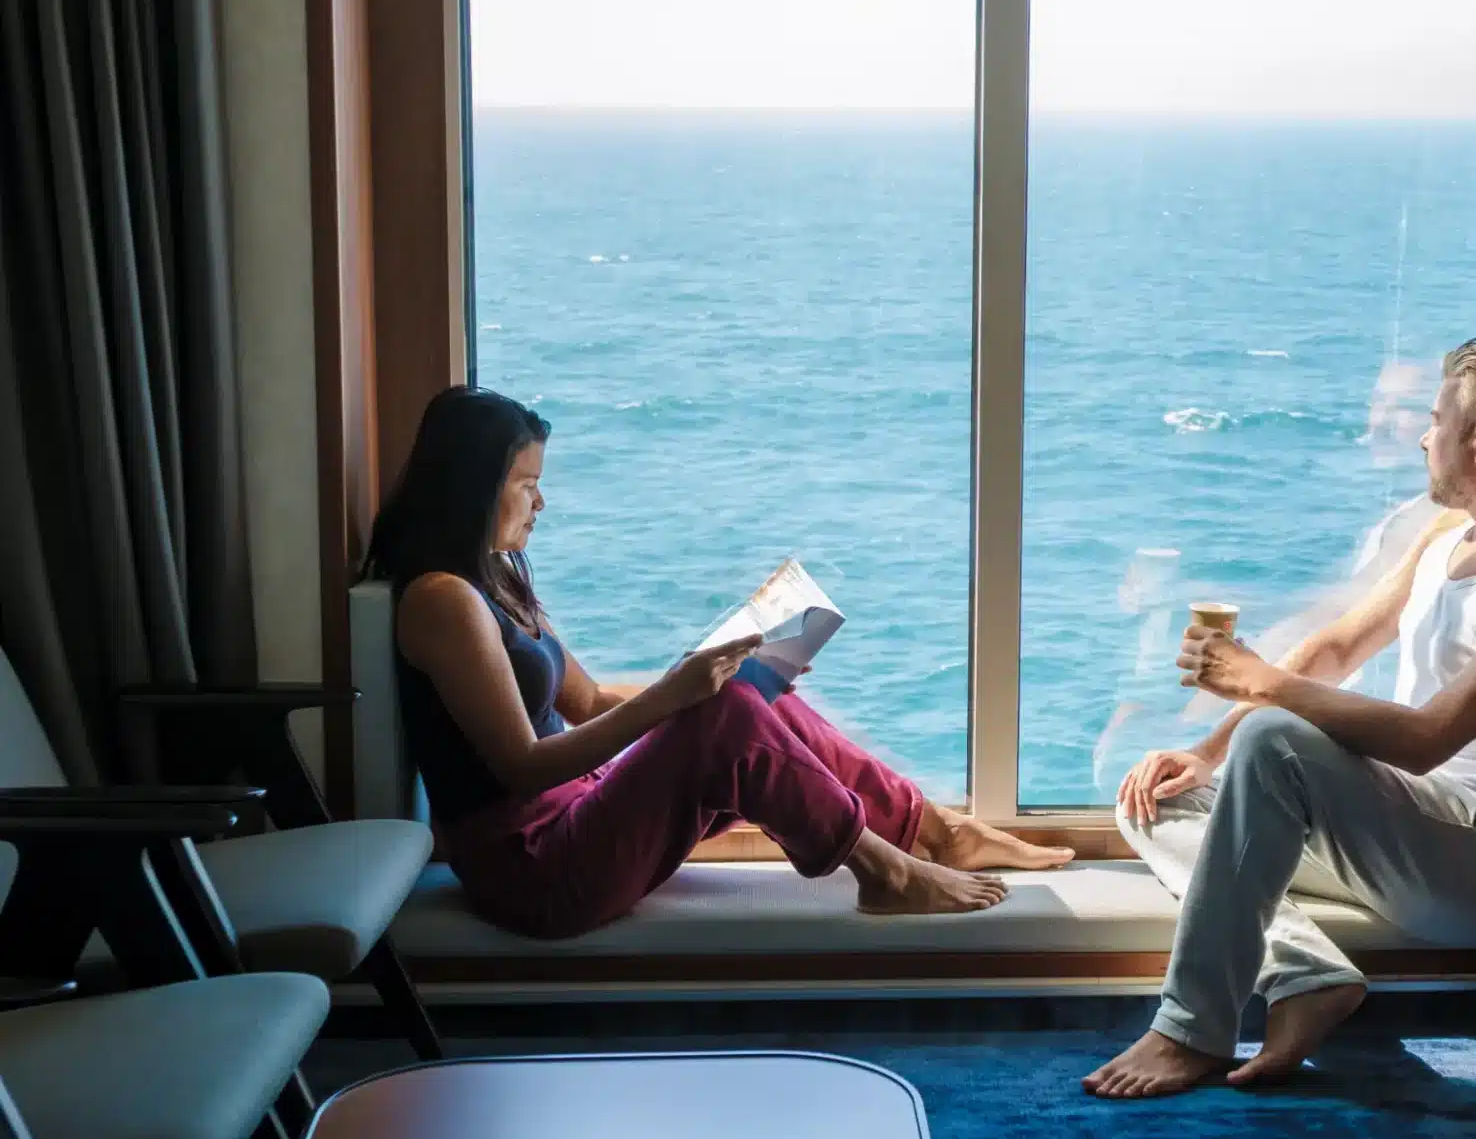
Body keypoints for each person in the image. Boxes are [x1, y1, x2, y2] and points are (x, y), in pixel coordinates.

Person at [1086, 337, 1476, 1100]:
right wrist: (1207, 751)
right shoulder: (1450, 540)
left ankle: (1190, 1031)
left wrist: (1264, 685)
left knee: (1277, 738)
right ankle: (1306, 973)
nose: (1421, 434)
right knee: (1154, 794)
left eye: (1436, 419)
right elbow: (1339, 646)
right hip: (1403, 828)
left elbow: (1428, 739)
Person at [367, 386, 1072, 941]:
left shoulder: (497, 581)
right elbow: (520, 766)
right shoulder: (441, 602)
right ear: (473, 487)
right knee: (727, 712)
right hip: (536, 872)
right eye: (525, 483)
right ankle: (885, 872)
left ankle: (935, 834)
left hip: (578, 814)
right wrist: (678, 697)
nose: (541, 502)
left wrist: (715, 672)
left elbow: (583, 704)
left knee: (752, 696)